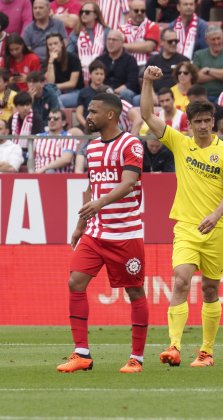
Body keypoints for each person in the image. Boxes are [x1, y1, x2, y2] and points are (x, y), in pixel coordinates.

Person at [141, 65, 223, 369]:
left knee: (210, 289)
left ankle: (206, 352)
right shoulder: (179, 143)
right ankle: (173, 346)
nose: (202, 126)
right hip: (186, 227)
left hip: (217, 229)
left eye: (207, 121)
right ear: (189, 123)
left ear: (214, 122)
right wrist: (146, 81)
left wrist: (215, 214)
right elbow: (146, 115)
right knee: (181, 280)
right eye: (197, 122)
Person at [56, 92, 147, 374]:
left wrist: (101, 202)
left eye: (94, 111)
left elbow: (129, 182)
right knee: (75, 282)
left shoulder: (131, 144)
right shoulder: (93, 147)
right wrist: (81, 223)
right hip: (96, 233)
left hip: (126, 233)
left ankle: (136, 358)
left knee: (134, 291)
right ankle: (81, 352)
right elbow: (91, 186)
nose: (89, 116)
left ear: (110, 114)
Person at [192, 26, 223, 103]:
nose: (216, 42)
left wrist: (208, 71)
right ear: (207, 40)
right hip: (203, 96)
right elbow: (196, 78)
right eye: (213, 39)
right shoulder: (198, 55)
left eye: (218, 38)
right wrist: (221, 73)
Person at [68, 2, 110, 83]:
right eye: (81, 12)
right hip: (80, 73)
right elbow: (69, 53)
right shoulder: (75, 33)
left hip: (103, 72)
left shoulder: (106, 31)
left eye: (87, 12)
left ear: (96, 15)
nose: (83, 14)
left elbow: (109, 53)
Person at [97, 29, 141, 104]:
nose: (110, 42)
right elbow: (94, 80)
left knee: (126, 93)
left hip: (123, 92)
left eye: (114, 40)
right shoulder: (100, 60)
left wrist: (114, 92)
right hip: (105, 91)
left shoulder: (130, 60)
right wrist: (107, 90)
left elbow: (132, 82)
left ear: (122, 42)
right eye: (109, 39)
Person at [44, 33, 84, 108]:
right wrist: (51, 62)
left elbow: (72, 83)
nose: (53, 47)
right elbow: (50, 82)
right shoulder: (49, 61)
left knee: (57, 100)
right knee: (47, 99)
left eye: (55, 43)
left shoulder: (73, 58)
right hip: (59, 91)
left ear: (62, 43)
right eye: (50, 45)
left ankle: (61, 119)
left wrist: (54, 87)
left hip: (76, 92)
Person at [33, 109, 78, 174]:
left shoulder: (69, 137)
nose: (52, 120)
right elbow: (30, 159)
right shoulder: (38, 137)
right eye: (49, 118)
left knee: (50, 172)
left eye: (56, 118)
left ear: (63, 123)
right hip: (37, 176)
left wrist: (44, 168)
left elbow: (66, 159)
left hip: (59, 178)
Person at [146, 29, 189, 94]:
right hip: (155, 95)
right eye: (170, 41)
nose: (174, 43)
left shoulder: (184, 60)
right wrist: (152, 95)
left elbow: (188, 82)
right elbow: (147, 80)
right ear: (162, 42)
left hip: (177, 95)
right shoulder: (153, 60)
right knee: (137, 99)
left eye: (176, 41)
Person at [120, 0, 160, 70]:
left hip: (148, 65)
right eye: (136, 10)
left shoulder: (152, 26)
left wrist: (123, 46)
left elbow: (148, 47)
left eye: (142, 11)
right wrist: (141, 46)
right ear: (130, 12)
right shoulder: (122, 28)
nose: (139, 13)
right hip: (127, 66)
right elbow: (117, 47)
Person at [76, 60, 107, 131]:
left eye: (102, 74)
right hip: (86, 126)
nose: (99, 76)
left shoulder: (108, 91)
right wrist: (87, 126)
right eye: (96, 74)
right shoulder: (83, 92)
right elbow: (78, 114)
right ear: (90, 75)